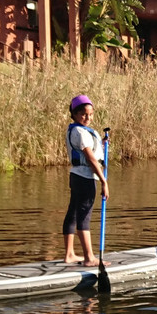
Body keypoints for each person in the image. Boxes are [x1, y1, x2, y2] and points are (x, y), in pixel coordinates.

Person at [62, 94, 110, 266]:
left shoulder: (77, 130)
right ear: (74, 114)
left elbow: (90, 150)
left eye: (90, 114)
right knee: (84, 216)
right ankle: (89, 258)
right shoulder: (80, 132)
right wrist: (104, 181)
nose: (87, 118)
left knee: (73, 214)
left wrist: (102, 144)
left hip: (76, 176)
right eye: (83, 114)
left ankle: (69, 255)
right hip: (85, 178)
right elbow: (90, 159)